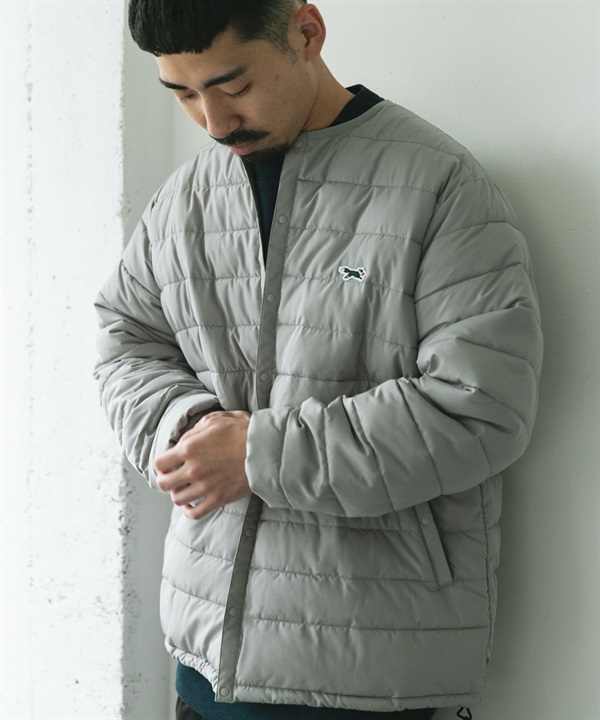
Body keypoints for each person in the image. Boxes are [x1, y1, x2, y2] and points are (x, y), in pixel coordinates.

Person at [94, 2, 543, 719]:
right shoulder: (185, 199)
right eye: (183, 94)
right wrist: (190, 427)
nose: (213, 121)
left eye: (234, 86)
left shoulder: (440, 186)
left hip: (371, 683)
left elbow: (480, 410)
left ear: (306, 32)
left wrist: (257, 454)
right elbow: (125, 338)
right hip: (201, 674)